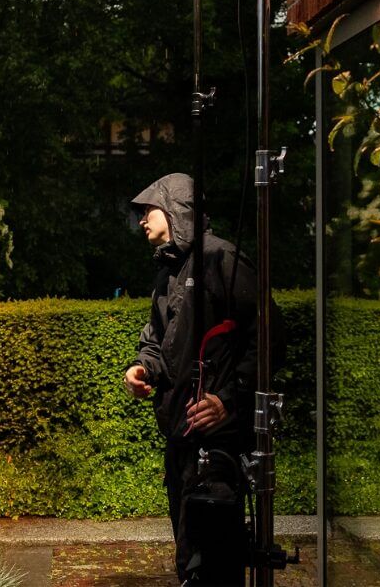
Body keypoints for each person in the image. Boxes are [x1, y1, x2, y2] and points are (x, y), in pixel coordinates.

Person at [124, 173, 279, 585]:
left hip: (218, 442)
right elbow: (157, 341)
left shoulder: (221, 258)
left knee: (212, 560)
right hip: (182, 438)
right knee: (188, 554)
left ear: (175, 209)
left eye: (149, 209)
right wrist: (142, 369)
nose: (142, 219)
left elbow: (267, 337)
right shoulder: (168, 270)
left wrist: (228, 399)